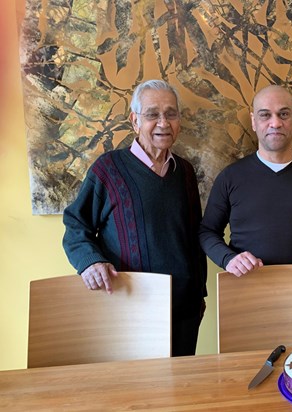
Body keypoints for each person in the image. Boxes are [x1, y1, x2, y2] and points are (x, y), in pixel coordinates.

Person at [62, 79, 207, 356]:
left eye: (171, 113)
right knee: (134, 392)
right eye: (152, 114)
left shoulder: (185, 172)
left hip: (184, 309)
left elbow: (192, 237)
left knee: (179, 390)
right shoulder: (108, 169)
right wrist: (90, 262)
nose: (163, 122)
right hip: (130, 308)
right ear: (135, 121)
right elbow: (75, 224)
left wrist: (200, 294)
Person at [199, 85, 292, 276]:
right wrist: (228, 259)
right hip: (246, 288)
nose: (275, 123)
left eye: (283, 114)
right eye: (265, 115)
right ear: (253, 121)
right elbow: (207, 232)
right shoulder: (230, 177)